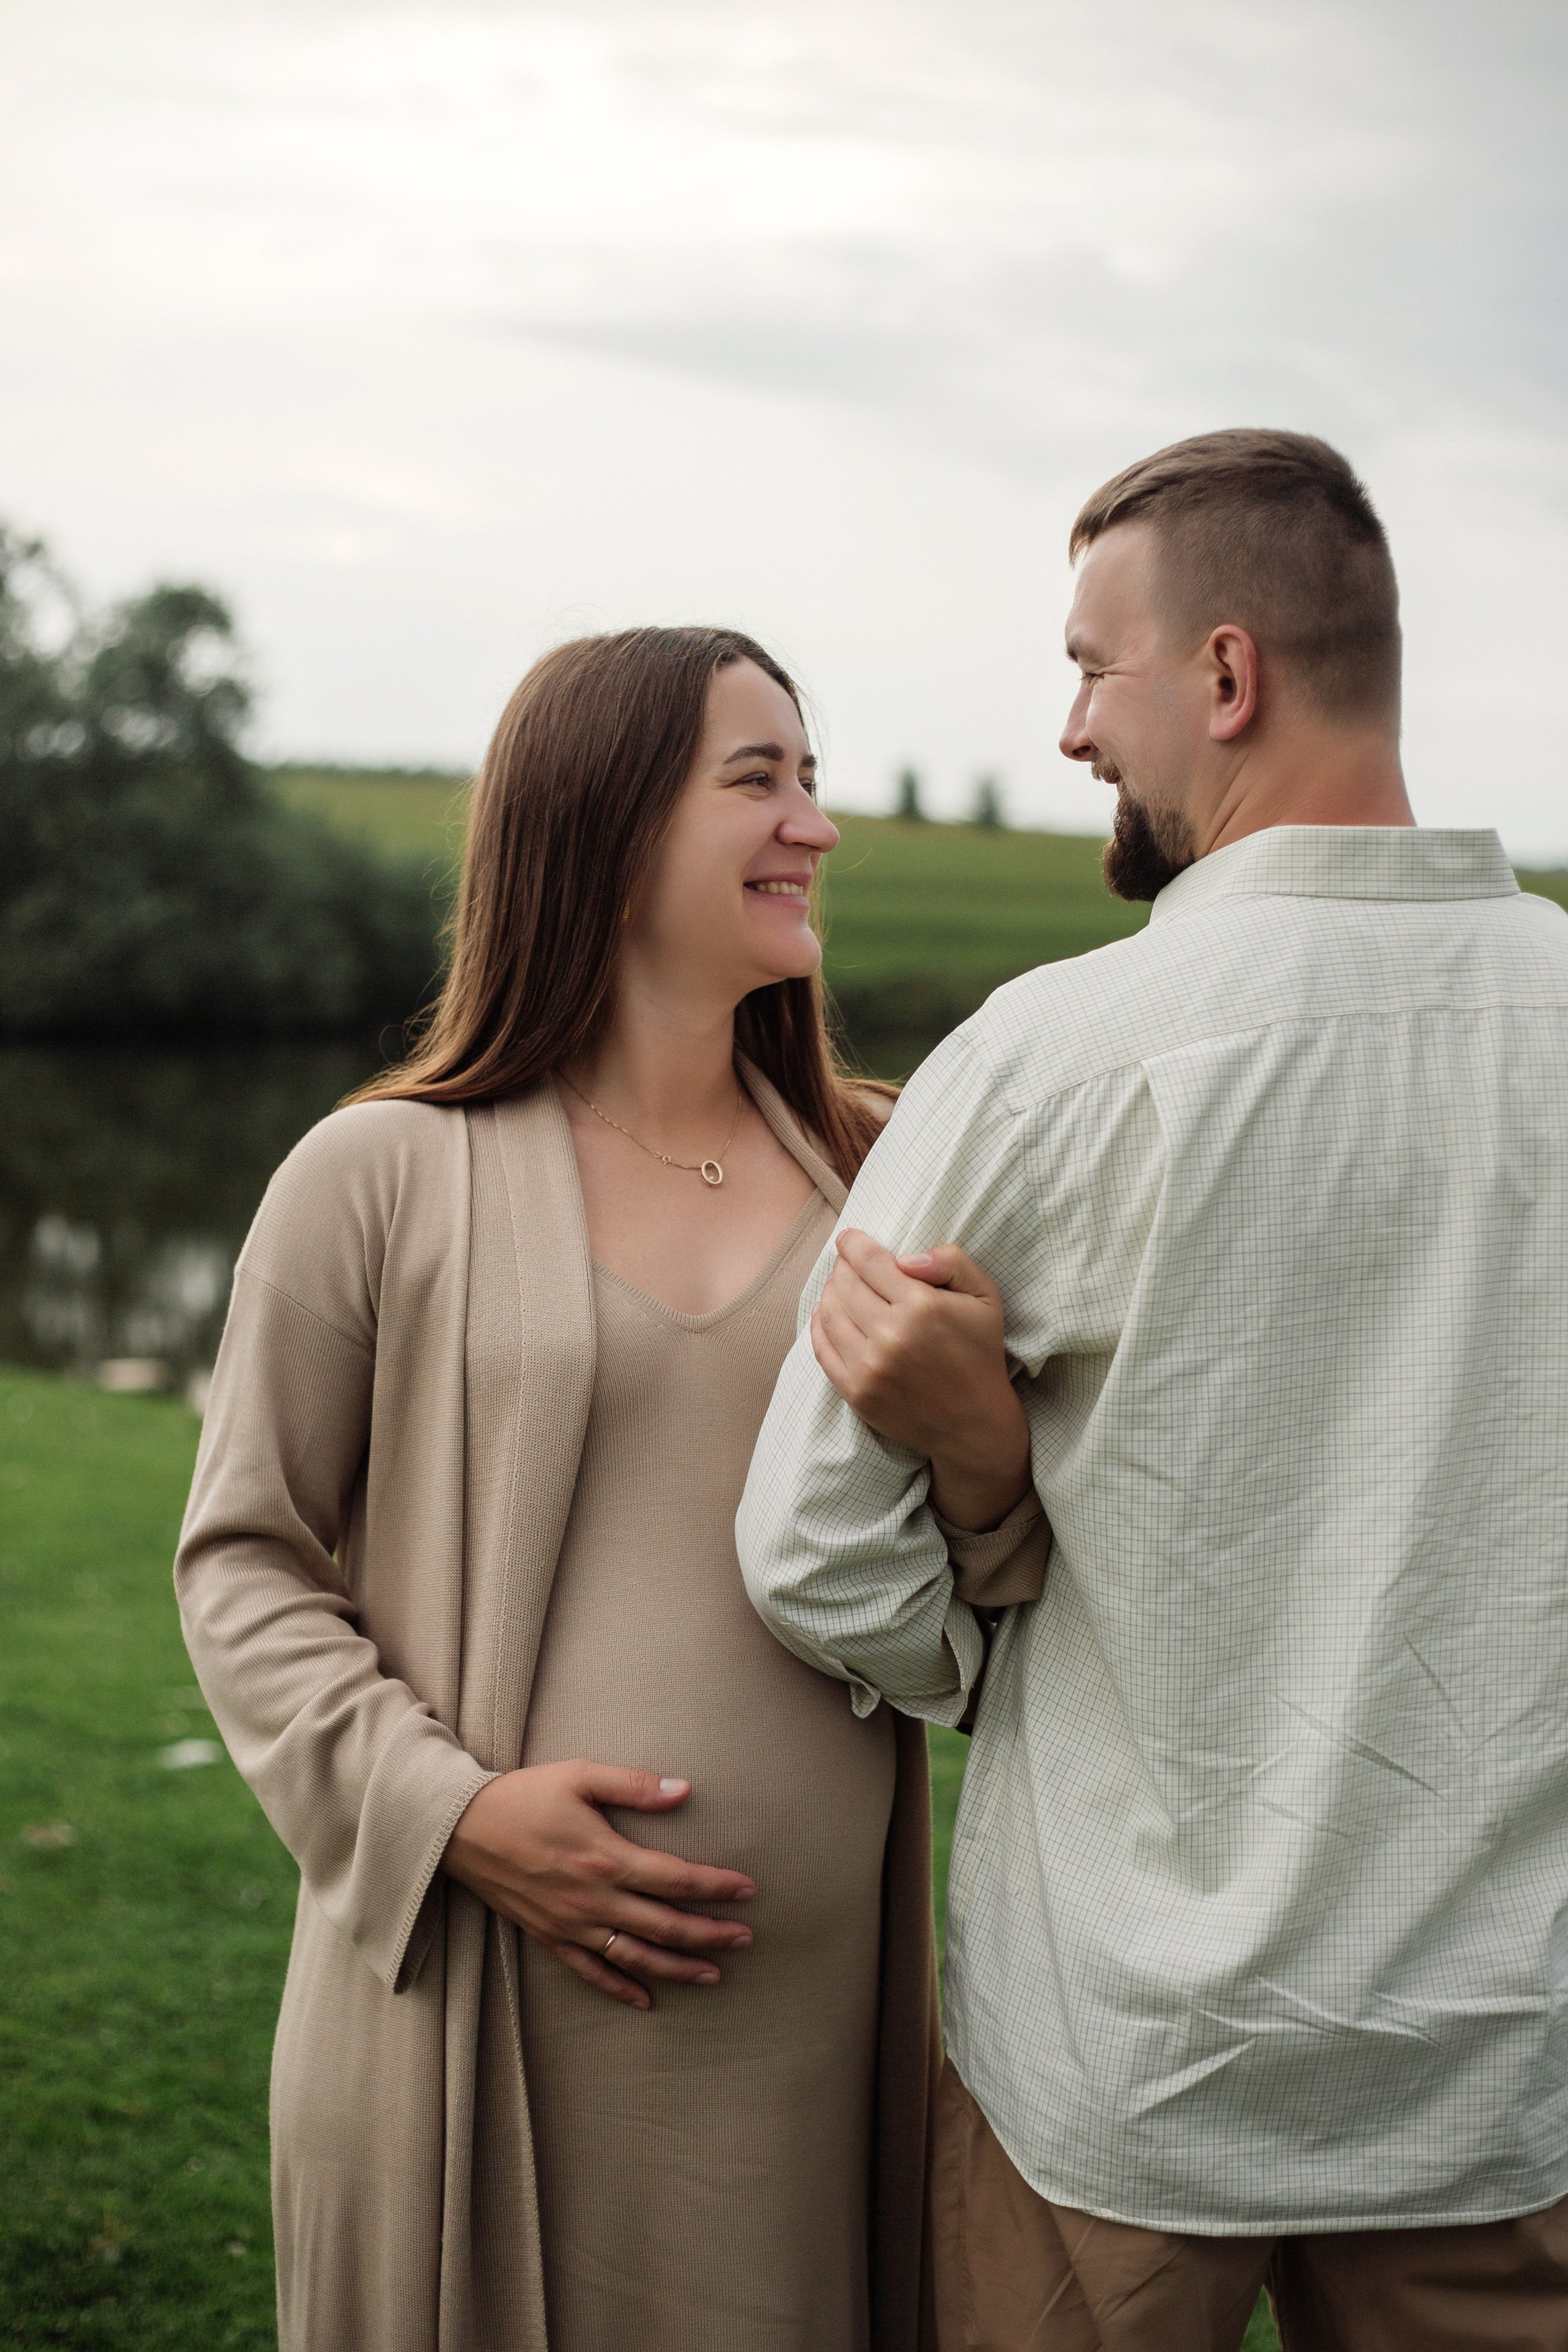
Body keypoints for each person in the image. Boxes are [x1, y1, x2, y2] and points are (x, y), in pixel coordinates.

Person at [739, 430, 1568, 2351]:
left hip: (1121, 2065)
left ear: (1222, 676)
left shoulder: (1048, 1058)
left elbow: (807, 1549)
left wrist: (1001, 1601)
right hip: (1497, 2064)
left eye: (1084, 668)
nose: (1064, 732)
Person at [175, 626, 1034, 2352]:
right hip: (475, 2011)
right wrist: (454, 1818)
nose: (820, 821)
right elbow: (244, 1565)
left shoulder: (891, 1168)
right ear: (608, 820)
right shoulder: (376, 1175)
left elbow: (1014, 1577)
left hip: (802, 2055)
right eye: (760, 778)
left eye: (812, 771)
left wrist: (985, 1447)